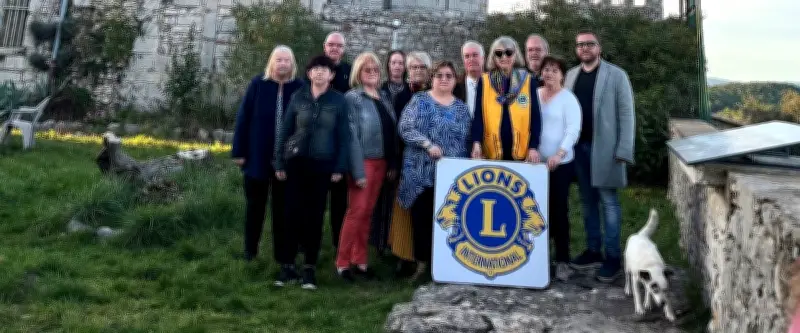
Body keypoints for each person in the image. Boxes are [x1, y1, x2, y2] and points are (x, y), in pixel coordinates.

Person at [273, 55, 350, 290]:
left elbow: (343, 137)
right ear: (309, 73)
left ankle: (309, 269)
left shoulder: (338, 101)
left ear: (331, 75)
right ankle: (287, 266)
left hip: (322, 165)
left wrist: (339, 167)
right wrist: (279, 162)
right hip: (296, 164)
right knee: (290, 215)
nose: (319, 73)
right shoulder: (299, 97)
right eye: (315, 69)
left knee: (314, 217)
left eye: (324, 70)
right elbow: (284, 130)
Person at [565, 30, 635, 282]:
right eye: (580, 45)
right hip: (579, 150)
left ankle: (613, 257)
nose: (584, 48)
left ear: (599, 48)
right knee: (586, 202)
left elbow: (627, 114)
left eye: (589, 44)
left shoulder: (616, 75)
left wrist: (624, 149)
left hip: (606, 149)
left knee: (609, 202)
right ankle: (594, 250)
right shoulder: (570, 76)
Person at [397, 60, 472, 281]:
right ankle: (421, 265)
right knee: (420, 220)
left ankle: (444, 265)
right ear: (432, 78)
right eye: (439, 75)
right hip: (420, 172)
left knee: (446, 221)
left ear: (454, 80)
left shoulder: (461, 108)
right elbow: (405, 128)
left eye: (449, 76)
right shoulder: (419, 100)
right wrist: (427, 144)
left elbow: (466, 140)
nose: (444, 79)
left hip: (449, 175)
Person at [231, 45, 304, 262]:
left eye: (287, 60)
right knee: (255, 207)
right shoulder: (258, 85)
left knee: (283, 210)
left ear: (293, 64)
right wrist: (239, 151)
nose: (283, 64)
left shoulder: (300, 88)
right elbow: (243, 118)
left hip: (288, 161)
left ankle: (282, 255)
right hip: (258, 157)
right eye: (279, 60)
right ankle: (250, 251)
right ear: (272, 62)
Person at [336, 52, 398, 281]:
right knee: (356, 212)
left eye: (375, 70)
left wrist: (391, 161)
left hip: (382, 163)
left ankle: (360, 261)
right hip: (363, 161)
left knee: (368, 213)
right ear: (358, 73)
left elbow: (390, 131)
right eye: (367, 70)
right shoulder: (352, 98)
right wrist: (357, 170)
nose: (372, 73)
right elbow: (351, 136)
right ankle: (342, 263)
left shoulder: (383, 97)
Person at [386, 51, 433, 277]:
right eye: (413, 67)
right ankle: (405, 258)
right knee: (404, 212)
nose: (416, 71)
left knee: (426, 213)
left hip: (431, 162)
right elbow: (397, 130)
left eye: (421, 67)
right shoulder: (403, 96)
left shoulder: (435, 93)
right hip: (407, 161)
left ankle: (425, 259)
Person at [536, 55, 581, 281]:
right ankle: (539, 257)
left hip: (559, 165)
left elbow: (573, 130)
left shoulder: (568, 99)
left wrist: (559, 154)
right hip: (536, 165)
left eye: (554, 70)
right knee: (536, 211)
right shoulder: (534, 96)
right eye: (546, 69)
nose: (549, 73)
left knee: (558, 210)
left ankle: (563, 260)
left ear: (562, 75)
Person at [470, 36, 542, 163]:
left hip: (522, 152)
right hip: (492, 151)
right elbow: (478, 116)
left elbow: (535, 118)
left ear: (515, 55)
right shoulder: (485, 81)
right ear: (493, 57)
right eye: (499, 53)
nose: (504, 57)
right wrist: (476, 142)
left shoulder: (528, 80)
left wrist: (533, 147)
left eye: (509, 53)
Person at [372, 49, 409, 255]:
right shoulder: (380, 90)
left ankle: (393, 242)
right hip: (381, 151)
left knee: (395, 200)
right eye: (393, 63)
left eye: (400, 63)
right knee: (379, 199)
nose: (396, 66)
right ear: (388, 66)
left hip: (402, 153)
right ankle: (377, 242)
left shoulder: (409, 93)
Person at [322, 31, 353, 250]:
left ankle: (338, 245)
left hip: (342, 144)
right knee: (313, 199)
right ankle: (307, 243)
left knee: (340, 201)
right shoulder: (315, 69)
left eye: (339, 45)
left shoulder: (349, 73)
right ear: (325, 47)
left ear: (343, 49)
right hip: (317, 145)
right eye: (331, 44)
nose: (334, 48)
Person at [453, 40, 485, 117]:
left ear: (483, 58)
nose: (471, 59)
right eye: (467, 56)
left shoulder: (495, 84)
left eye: (475, 55)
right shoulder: (454, 88)